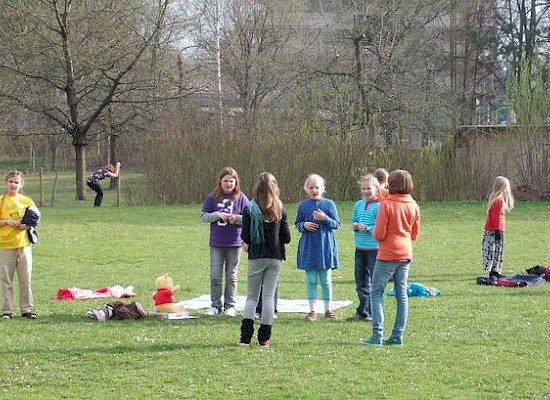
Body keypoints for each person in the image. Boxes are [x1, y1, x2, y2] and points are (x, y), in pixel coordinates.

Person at [360, 169, 420, 346]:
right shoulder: (413, 205)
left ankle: (377, 334)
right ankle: (397, 335)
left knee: (377, 292)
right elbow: (414, 234)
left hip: (387, 254)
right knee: (401, 294)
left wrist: (372, 230)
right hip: (405, 253)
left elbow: (379, 233)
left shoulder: (387, 204)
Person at [238, 172, 290, 348]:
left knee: (252, 297)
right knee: (268, 297)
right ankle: (264, 339)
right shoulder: (280, 209)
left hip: (256, 257)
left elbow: (245, 236)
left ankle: (245, 338)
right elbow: (287, 238)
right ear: (275, 189)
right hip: (275, 258)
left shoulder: (249, 209)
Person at [201, 167, 249, 317]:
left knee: (232, 276)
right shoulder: (212, 198)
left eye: (231, 181)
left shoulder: (242, 198)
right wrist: (217, 215)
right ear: (220, 181)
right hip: (216, 242)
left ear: (236, 182)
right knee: (215, 276)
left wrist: (236, 219)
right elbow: (203, 217)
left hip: (235, 243)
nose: (228, 184)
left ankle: (230, 306)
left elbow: (249, 219)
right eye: (226, 181)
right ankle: (215, 305)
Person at [295, 174, 340, 321]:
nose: (314, 190)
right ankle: (312, 310)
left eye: (317, 187)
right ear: (306, 189)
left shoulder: (329, 204)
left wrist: (325, 218)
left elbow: (336, 224)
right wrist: (304, 225)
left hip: (325, 247)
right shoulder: (303, 205)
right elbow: (297, 224)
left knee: (326, 280)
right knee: (311, 279)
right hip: (309, 247)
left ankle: (328, 309)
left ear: (322, 188)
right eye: (311, 187)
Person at [0, 170, 41, 319]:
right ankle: (6, 311)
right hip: (5, 245)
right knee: (6, 280)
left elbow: (35, 218)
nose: (13, 184)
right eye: (11, 181)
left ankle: (27, 309)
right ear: (6, 183)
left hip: (24, 245)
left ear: (21, 184)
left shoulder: (26, 201)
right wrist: (6, 222)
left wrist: (27, 225)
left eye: (16, 182)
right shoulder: (2, 200)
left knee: (26, 279)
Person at [348, 174, 381, 322]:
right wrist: (355, 226)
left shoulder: (380, 206)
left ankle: (375, 312)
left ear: (376, 189)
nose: (366, 191)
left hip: (374, 249)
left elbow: (381, 228)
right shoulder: (358, 205)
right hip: (359, 249)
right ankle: (363, 311)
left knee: (375, 282)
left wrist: (367, 228)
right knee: (360, 282)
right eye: (363, 188)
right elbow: (354, 219)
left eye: (369, 188)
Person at [482, 176, 514, 279]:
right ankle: (495, 270)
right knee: (497, 250)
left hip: (491, 230)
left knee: (493, 250)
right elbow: (497, 217)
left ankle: (494, 270)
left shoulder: (494, 199)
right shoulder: (499, 201)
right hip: (496, 230)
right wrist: (498, 230)